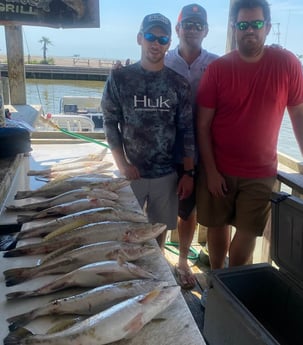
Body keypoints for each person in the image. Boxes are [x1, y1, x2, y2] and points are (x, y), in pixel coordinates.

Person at [196, 0, 303, 272]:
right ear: (234, 28)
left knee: (248, 233)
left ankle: (232, 283)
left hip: (261, 172)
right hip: (218, 168)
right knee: (216, 227)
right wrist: (211, 171)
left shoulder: (288, 64)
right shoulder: (218, 69)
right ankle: (216, 280)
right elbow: (203, 125)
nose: (250, 31)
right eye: (243, 25)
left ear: (267, 27)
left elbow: (299, 115)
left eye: (256, 24)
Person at [101, 13, 195, 249]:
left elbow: (186, 131)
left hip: (166, 175)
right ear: (140, 38)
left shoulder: (179, 83)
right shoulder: (120, 78)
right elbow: (110, 122)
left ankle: (157, 271)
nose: (156, 43)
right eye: (151, 36)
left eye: (163, 39)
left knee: (158, 234)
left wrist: (188, 173)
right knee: (124, 232)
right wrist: (122, 164)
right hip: (131, 173)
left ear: (169, 44)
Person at [165, 4, 218, 289]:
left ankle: (183, 260)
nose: (193, 29)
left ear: (206, 30)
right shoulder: (163, 59)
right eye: (188, 24)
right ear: (178, 29)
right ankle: (157, 260)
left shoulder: (218, 64)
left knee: (188, 210)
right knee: (159, 208)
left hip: (199, 151)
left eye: (199, 25)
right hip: (163, 149)